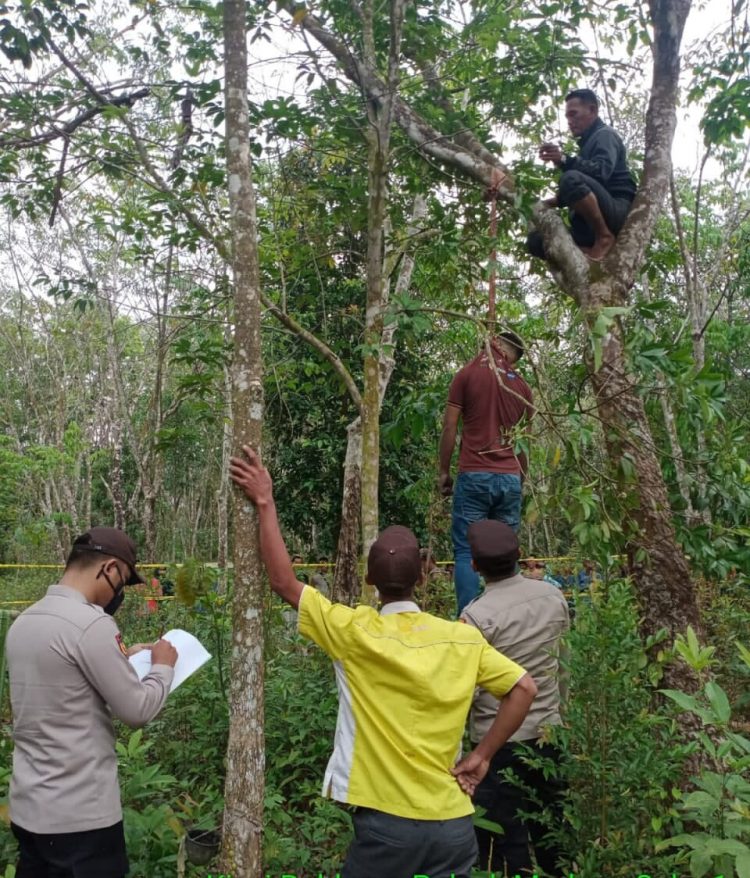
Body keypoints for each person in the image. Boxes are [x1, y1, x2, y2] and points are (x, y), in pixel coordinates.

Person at [229, 446, 538, 878]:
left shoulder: (354, 631)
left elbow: (283, 582)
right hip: (452, 824)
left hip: (386, 827)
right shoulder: (462, 639)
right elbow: (524, 688)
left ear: (370, 580)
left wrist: (265, 500)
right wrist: (483, 755)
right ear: (424, 577)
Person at [5, 527, 178, 878]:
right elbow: (138, 710)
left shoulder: (25, 621)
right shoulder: (91, 624)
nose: (118, 594)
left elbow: (61, 684)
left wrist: (122, 658)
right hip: (80, 820)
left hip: (28, 810)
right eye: (122, 582)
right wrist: (163, 666)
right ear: (109, 568)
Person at [462, 520, 569, 877]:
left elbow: (469, 689)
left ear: (474, 566)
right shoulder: (552, 596)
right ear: (520, 556)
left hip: (496, 743)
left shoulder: (476, 617)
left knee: (504, 846)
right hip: (548, 734)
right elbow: (562, 661)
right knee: (554, 833)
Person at [439, 331, 533, 614]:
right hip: (509, 477)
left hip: (474, 474)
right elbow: (523, 443)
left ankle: (468, 620)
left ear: (495, 344)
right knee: (506, 552)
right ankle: (509, 618)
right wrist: (520, 478)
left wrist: (443, 472)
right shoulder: (523, 388)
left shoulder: (466, 375)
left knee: (466, 549)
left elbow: (450, 427)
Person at [527, 88, 637, 262]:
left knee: (570, 178)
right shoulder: (585, 145)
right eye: (567, 117)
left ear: (592, 110)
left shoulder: (605, 135)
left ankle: (604, 237)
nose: (570, 122)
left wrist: (564, 159)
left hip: (615, 211)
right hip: (587, 228)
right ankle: (587, 254)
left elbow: (600, 172)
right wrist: (544, 204)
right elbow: (582, 191)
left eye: (573, 114)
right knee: (536, 241)